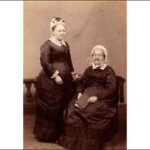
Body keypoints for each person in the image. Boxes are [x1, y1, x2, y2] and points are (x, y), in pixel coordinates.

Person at [59, 45, 117, 150]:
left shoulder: (109, 71)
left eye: (99, 55)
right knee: (73, 109)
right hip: (86, 95)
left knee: (92, 111)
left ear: (104, 57)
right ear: (92, 57)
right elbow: (82, 83)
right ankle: (76, 142)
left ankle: (90, 144)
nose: (97, 57)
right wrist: (80, 92)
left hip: (102, 97)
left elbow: (110, 89)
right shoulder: (89, 70)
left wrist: (97, 97)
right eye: (95, 55)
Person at [33, 17, 76, 142]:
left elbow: (69, 60)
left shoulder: (65, 44)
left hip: (66, 79)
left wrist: (72, 73)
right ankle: (48, 135)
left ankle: (62, 132)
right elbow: (45, 62)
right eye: (59, 30)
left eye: (64, 30)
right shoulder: (47, 45)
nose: (62, 32)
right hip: (50, 80)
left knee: (64, 103)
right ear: (53, 31)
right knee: (53, 106)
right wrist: (55, 75)